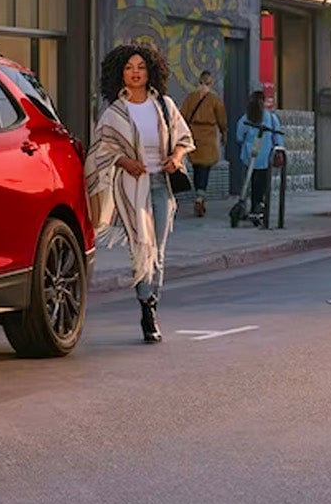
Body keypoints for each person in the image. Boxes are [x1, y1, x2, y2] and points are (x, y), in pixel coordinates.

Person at [84, 44, 194, 343]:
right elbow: (101, 150)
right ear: (120, 73)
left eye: (141, 67)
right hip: (131, 187)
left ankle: (152, 301)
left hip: (161, 186)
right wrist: (124, 161)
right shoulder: (114, 112)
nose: (135, 72)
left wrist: (177, 158)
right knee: (141, 247)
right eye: (129, 67)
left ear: (151, 72)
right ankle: (146, 307)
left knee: (157, 250)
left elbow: (183, 139)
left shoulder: (165, 106)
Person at [180, 70, 227, 217]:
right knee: (205, 167)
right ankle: (200, 196)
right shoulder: (214, 99)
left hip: (194, 134)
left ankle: (198, 195)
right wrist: (224, 133)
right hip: (208, 135)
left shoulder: (191, 98)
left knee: (196, 166)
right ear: (211, 82)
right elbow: (222, 119)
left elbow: (182, 116)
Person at [234, 90, 284, 221]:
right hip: (265, 157)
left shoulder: (245, 118)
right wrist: (279, 150)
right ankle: (258, 205)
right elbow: (277, 137)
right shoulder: (271, 118)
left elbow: (239, 137)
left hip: (248, 157)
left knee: (248, 181)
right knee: (261, 184)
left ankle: (247, 203)